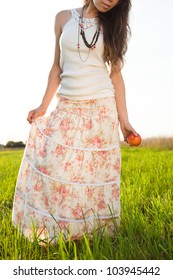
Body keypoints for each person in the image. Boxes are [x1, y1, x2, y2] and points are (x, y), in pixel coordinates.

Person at [12, 0, 138, 244]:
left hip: (101, 110)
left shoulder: (113, 26)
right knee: (54, 167)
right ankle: (55, 231)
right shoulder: (63, 18)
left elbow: (116, 76)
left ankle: (89, 237)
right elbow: (56, 68)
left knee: (91, 179)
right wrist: (43, 106)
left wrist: (125, 122)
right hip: (67, 106)